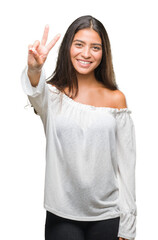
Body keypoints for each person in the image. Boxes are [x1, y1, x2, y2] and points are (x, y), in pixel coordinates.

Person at [21, 15, 137, 240]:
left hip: (108, 216)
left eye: (95, 47)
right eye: (79, 44)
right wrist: (34, 70)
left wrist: (128, 225)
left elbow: (126, 167)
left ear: (103, 53)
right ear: (68, 47)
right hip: (62, 216)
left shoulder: (116, 99)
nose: (86, 54)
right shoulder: (51, 96)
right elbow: (34, 92)